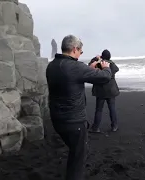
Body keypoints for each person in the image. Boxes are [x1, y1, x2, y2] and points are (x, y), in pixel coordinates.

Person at [46, 35, 112, 180]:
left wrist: (89, 68)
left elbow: (72, 77)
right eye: (81, 52)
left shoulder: (52, 66)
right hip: (74, 121)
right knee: (78, 158)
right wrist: (106, 68)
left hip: (57, 119)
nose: (80, 54)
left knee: (74, 150)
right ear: (75, 49)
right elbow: (105, 78)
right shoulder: (75, 67)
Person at [88, 49, 120, 133]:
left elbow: (89, 66)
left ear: (102, 56)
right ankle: (114, 126)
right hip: (111, 90)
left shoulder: (98, 64)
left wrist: (96, 58)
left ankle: (96, 127)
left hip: (100, 90)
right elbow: (117, 69)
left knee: (99, 109)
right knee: (112, 108)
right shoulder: (111, 64)